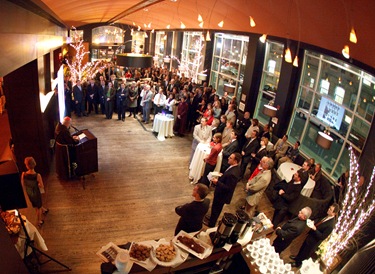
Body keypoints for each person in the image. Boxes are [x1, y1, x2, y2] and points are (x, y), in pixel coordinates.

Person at [290, 203, 339, 267]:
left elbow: (322, 237)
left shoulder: (331, 225)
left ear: (334, 213)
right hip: (311, 235)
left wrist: (315, 229)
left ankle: (298, 263)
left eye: (330, 209)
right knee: (303, 247)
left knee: (305, 252)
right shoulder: (327, 215)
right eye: (329, 207)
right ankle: (297, 257)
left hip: (313, 241)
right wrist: (314, 223)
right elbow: (320, 221)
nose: (328, 209)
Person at [205, 152, 242, 227]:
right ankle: (212, 218)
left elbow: (228, 187)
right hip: (220, 193)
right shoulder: (234, 167)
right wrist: (223, 175)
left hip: (222, 195)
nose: (228, 158)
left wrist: (217, 182)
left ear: (235, 161)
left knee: (216, 209)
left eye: (231, 158)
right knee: (215, 208)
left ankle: (211, 224)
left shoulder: (233, 174)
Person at [22, 157, 49, 226]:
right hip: (36, 192)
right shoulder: (37, 175)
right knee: (38, 207)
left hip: (29, 192)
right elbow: (41, 186)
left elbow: (22, 183)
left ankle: (44, 210)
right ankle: (39, 221)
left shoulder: (23, 174)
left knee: (36, 204)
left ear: (27, 165)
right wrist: (38, 184)